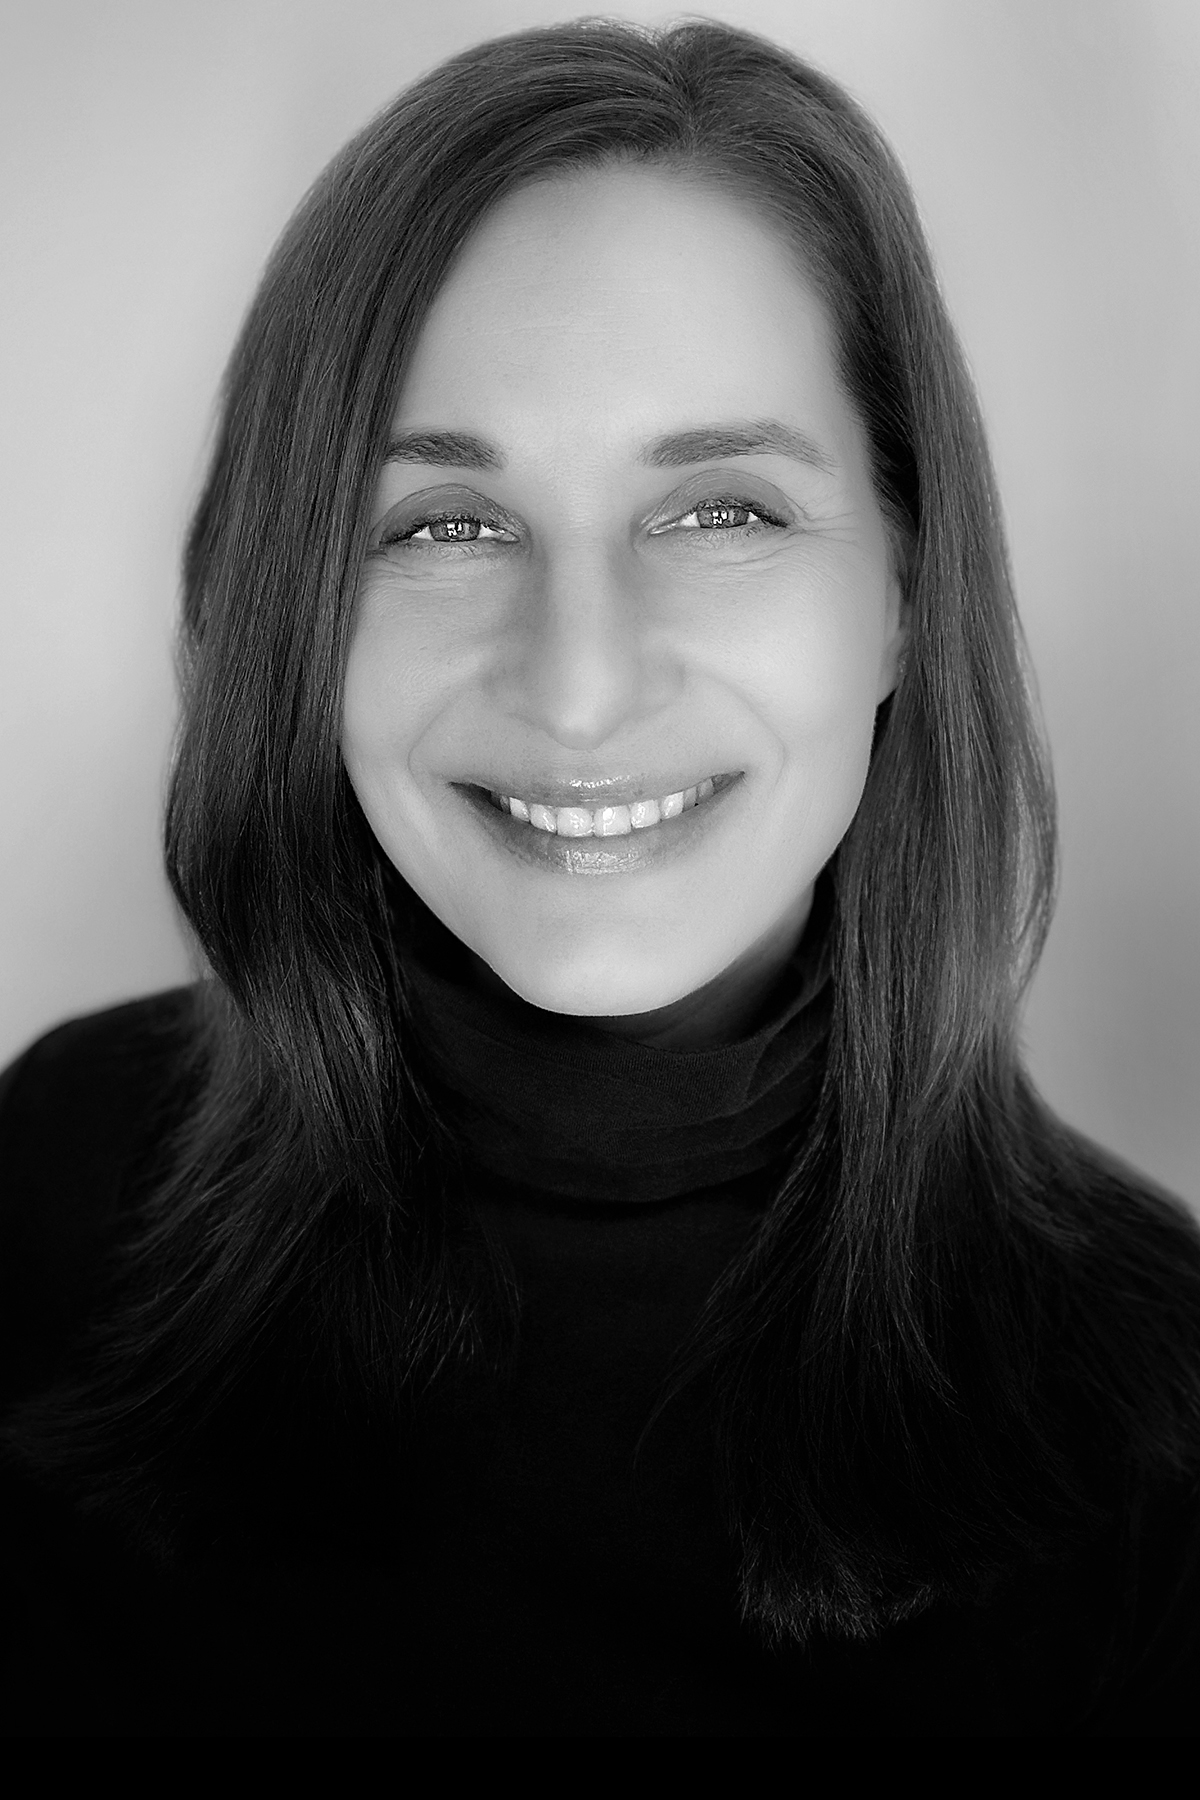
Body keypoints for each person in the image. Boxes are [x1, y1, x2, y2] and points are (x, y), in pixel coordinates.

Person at [1, 18, 1198, 1738]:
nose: (576, 685)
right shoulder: (54, 1183)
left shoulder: (1159, 1421)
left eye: (719, 511)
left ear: (909, 590)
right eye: (441, 526)